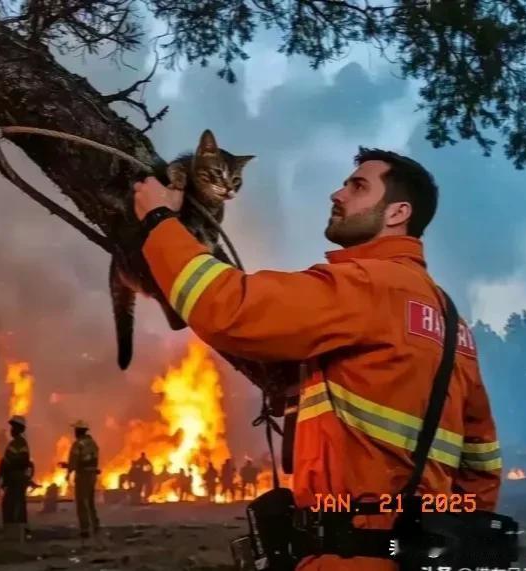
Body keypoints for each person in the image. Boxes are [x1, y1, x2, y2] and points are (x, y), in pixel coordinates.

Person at [133, 148, 502, 571]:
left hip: (347, 558)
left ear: (398, 212)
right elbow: (482, 466)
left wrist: (160, 222)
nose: (337, 194)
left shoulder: (367, 286)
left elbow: (225, 307)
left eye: (357, 186)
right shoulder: (452, 324)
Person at [0, 415, 32, 540]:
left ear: (19, 428)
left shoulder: (20, 443)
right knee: (11, 504)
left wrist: (5, 470)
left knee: (15, 505)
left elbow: (21, 461)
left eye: (13, 427)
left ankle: (18, 533)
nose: (11, 430)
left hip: (16, 479)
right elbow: (6, 461)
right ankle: (16, 532)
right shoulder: (15, 443)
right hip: (12, 479)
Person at [60, 420, 100, 540]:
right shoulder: (93, 443)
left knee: (82, 503)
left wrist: (68, 472)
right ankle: (95, 525)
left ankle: (85, 529)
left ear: (78, 431)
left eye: (75, 430)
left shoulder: (78, 444)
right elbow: (90, 460)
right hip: (92, 476)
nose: (74, 433)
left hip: (82, 476)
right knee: (91, 502)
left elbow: (74, 461)